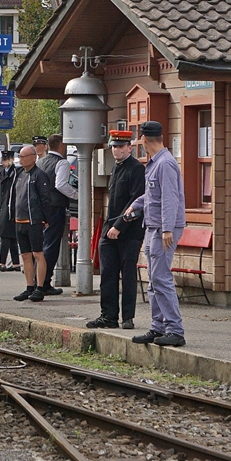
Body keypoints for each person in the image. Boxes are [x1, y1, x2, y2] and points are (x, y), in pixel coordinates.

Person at [122, 120, 186, 347]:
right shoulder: (156, 163)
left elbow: (170, 198)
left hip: (162, 228)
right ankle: (158, 326)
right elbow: (153, 194)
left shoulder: (165, 164)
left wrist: (167, 228)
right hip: (153, 226)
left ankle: (175, 329)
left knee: (161, 278)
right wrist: (136, 205)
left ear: (145, 140)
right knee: (153, 280)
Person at [88, 129, 147, 330]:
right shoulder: (116, 168)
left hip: (128, 231)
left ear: (129, 147)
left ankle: (127, 317)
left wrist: (119, 226)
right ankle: (108, 315)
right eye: (113, 146)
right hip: (110, 228)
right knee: (108, 274)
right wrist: (109, 227)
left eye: (120, 146)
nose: (116, 150)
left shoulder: (136, 169)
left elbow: (135, 201)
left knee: (127, 274)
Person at [11, 144, 54, 302]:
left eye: (23, 157)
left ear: (33, 157)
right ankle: (29, 286)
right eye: (20, 157)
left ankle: (40, 287)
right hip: (19, 219)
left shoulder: (39, 175)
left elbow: (45, 198)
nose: (20, 160)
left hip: (33, 220)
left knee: (37, 254)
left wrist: (45, 218)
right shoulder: (20, 174)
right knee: (25, 255)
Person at [39, 134, 74, 295]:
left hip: (40, 208)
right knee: (51, 245)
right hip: (55, 207)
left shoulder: (41, 161)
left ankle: (37, 280)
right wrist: (77, 194)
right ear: (60, 145)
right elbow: (61, 184)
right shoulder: (62, 162)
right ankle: (45, 282)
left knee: (41, 244)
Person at [0, 150, 22, 272]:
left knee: (6, 235)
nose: (3, 162)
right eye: (3, 160)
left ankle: (2, 263)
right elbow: (0, 191)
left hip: (11, 206)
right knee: (10, 237)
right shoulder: (2, 173)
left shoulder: (15, 172)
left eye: (6, 160)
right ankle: (15, 263)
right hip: (3, 205)